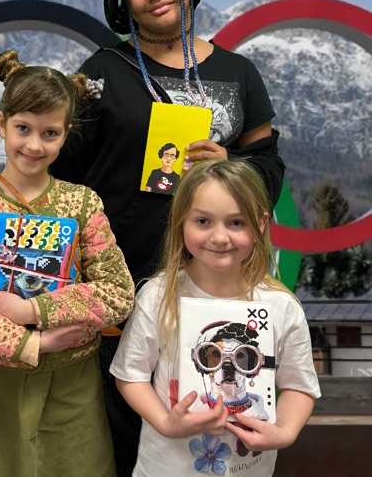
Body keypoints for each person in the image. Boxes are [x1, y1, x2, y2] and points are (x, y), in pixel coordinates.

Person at [51, 0, 286, 475]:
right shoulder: (101, 73)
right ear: (123, 1)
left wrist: (230, 165)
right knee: (129, 418)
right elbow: (63, 177)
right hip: (126, 275)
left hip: (219, 280)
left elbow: (270, 166)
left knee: (219, 412)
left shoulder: (239, 73)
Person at [0, 49, 135, 477]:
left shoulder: (81, 203)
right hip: (1, 378)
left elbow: (118, 293)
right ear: (2, 123)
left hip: (76, 382)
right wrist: (33, 343)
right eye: (23, 128)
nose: (34, 145)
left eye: (50, 133)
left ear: (66, 134)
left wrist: (32, 310)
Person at [110, 159, 320, 476]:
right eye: (203, 221)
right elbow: (131, 374)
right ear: (181, 222)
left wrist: (286, 431)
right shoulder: (157, 296)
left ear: (261, 223)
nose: (220, 237)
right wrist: (165, 422)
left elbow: (298, 385)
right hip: (165, 468)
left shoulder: (281, 306)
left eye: (236, 223)